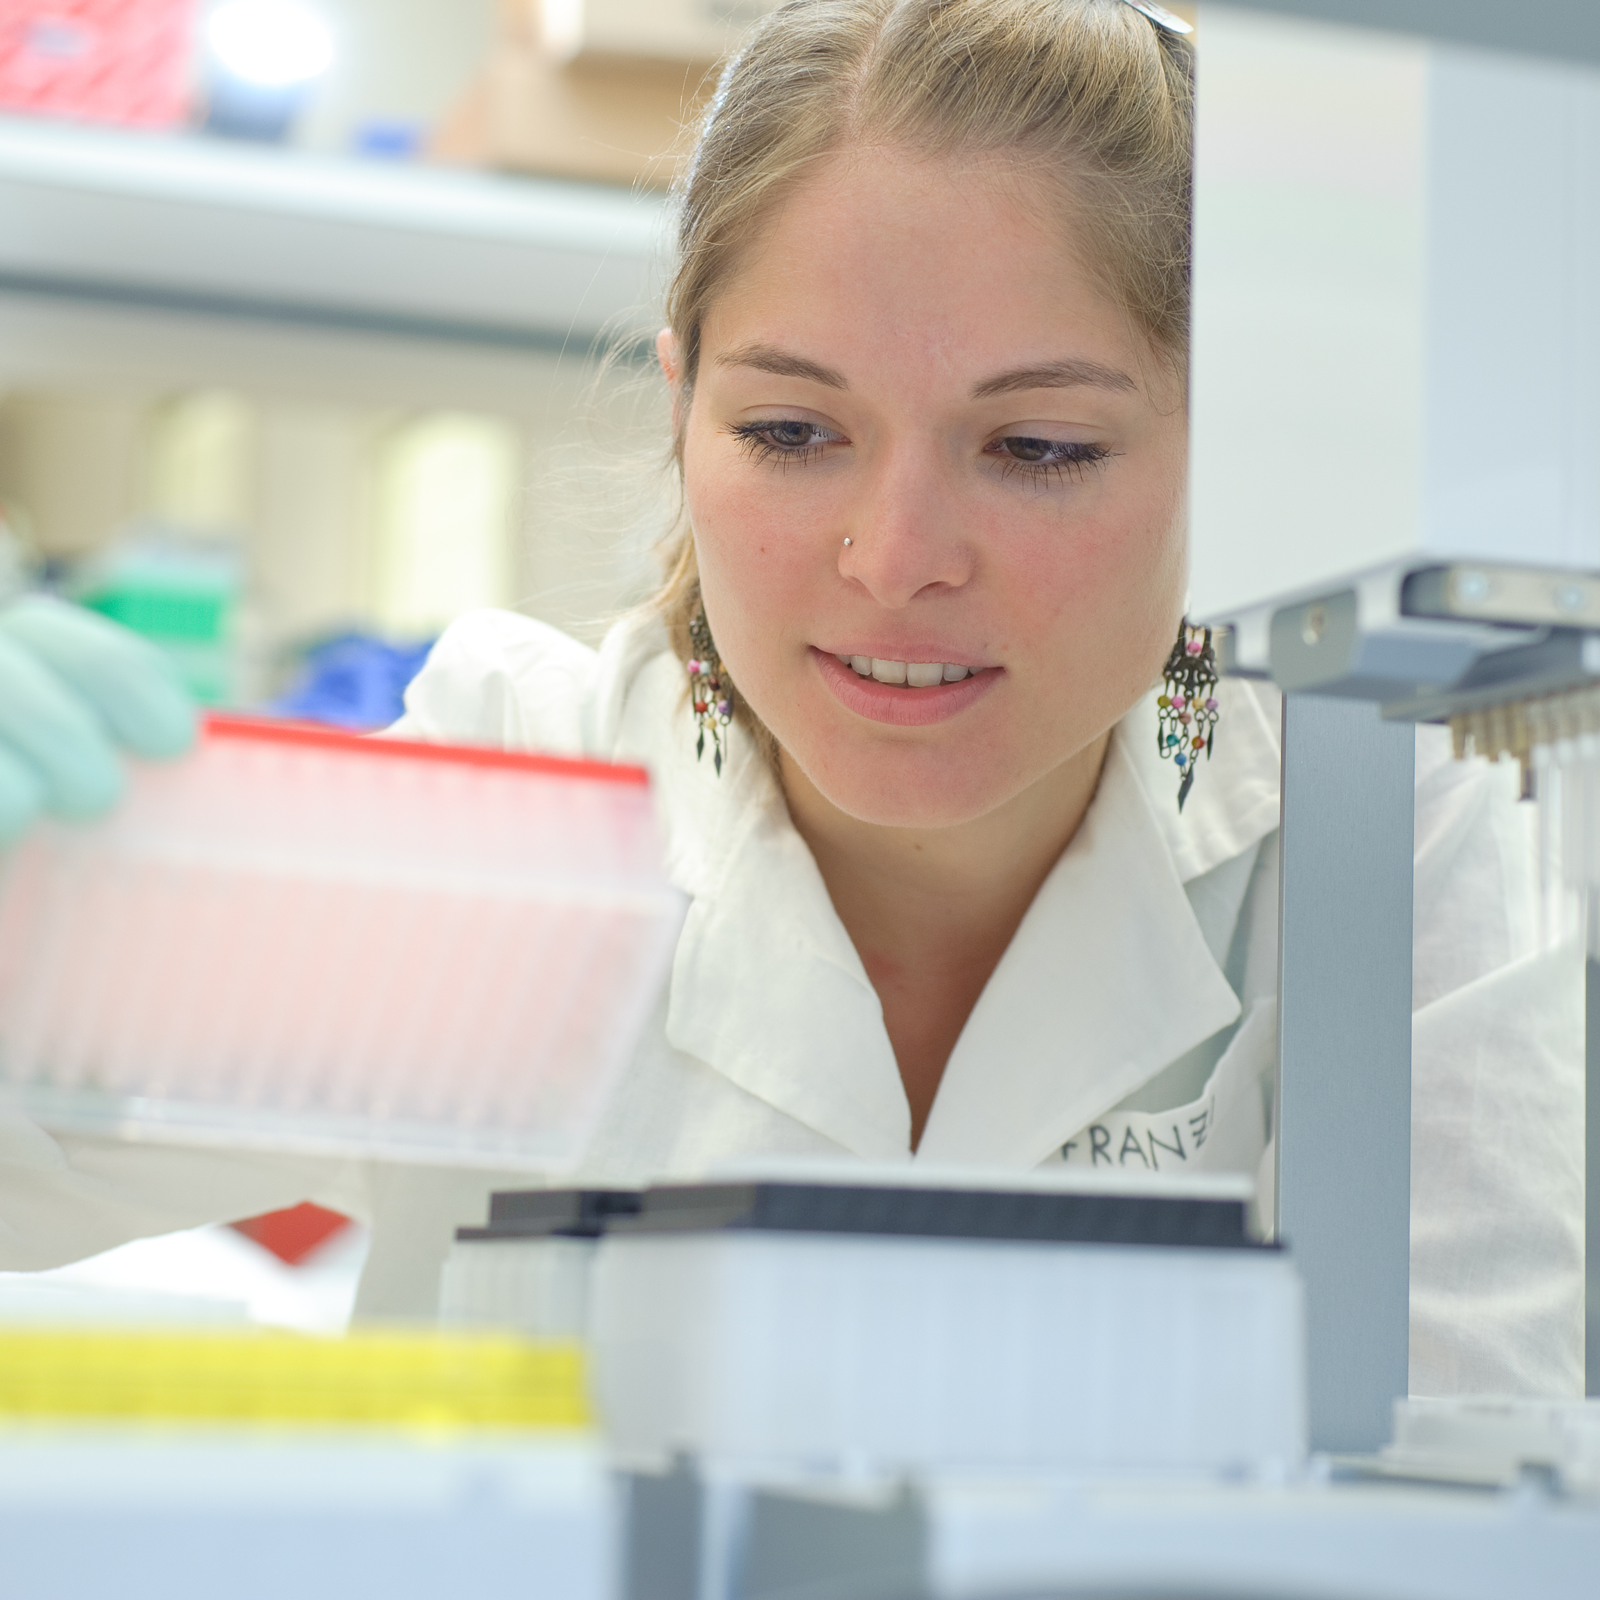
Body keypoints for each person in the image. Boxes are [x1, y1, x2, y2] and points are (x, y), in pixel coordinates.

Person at [0, 0, 1581, 1397]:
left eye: (1038, 449)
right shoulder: (524, 792)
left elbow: (1472, 1470)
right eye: (788, 431)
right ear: (685, 402)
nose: (892, 559)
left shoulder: (1383, 844)